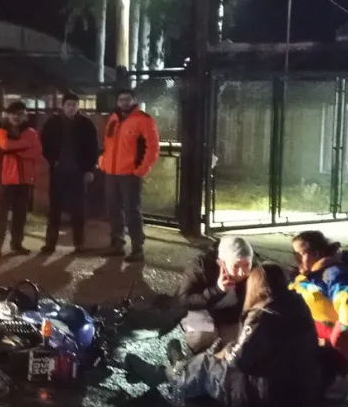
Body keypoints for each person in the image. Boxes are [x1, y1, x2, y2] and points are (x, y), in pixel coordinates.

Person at [120, 263, 322, 407]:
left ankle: (169, 378)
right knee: (211, 357)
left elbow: (238, 360)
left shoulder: (263, 314)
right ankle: (180, 367)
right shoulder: (297, 305)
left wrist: (227, 350)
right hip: (296, 389)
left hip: (268, 394)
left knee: (206, 363)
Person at [123, 235, 255, 352]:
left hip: (227, 315)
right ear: (221, 262)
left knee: (239, 344)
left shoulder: (254, 271)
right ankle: (189, 356)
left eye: (246, 265)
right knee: (204, 337)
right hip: (199, 309)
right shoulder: (202, 265)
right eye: (236, 266)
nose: (242, 272)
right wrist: (217, 290)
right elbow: (182, 300)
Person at [289, 230, 348, 400]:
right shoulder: (312, 274)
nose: (296, 259)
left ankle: (337, 378)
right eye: (294, 254)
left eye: (302, 253)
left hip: (327, 350)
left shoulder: (335, 274)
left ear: (317, 253)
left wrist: (340, 342)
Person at [99, 88, 160, 262]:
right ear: (117, 102)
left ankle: (137, 248)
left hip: (130, 175)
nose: (124, 102)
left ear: (133, 100)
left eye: (127, 99)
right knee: (113, 210)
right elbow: (108, 145)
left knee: (132, 211)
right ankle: (117, 244)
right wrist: (103, 162)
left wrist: (141, 170)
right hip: (111, 173)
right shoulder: (113, 119)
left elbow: (153, 147)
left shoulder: (143, 120)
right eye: (121, 99)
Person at [40, 92, 99, 254]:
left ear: (78, 106)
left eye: (74, 104)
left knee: (78, 209)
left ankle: (78, 243)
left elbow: (93, 148)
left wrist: (89, 169)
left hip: (78, 173)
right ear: (63, 106)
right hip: (58, 171)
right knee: (54, 208)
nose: (71, 107)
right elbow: (43, 144)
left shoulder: (86, 124)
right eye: (68, 104)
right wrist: (53, 160)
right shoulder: (53, 123)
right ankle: (50, 243)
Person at [0, 101, 42, 258]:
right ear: (8, 115)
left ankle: (17, 244)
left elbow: (36, 153)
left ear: (24, 115)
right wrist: (24, 146)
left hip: (24, 179)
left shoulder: (31, 133)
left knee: (20, 214)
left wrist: (18, 151)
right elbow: (5, 145)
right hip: (6, 179)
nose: (17, 117)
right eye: (14, 114)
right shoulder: (1, 131)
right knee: (1, 215)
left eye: (20, 114)